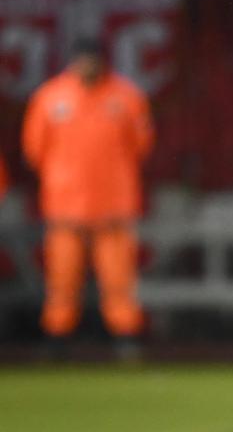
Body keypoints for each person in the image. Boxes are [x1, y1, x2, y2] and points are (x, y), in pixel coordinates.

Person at [21, 37, 154, 359]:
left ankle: (126, 337)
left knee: (118, 279)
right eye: (82, 59)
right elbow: (34, 149)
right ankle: (57, 337)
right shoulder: (50, 97)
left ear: (102, 61)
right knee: (62, 280)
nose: (87, 66)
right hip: (65, 205)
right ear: (72, 61)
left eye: (93, 59)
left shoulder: (126, 96)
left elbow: (142, 145)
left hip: (113, 205)